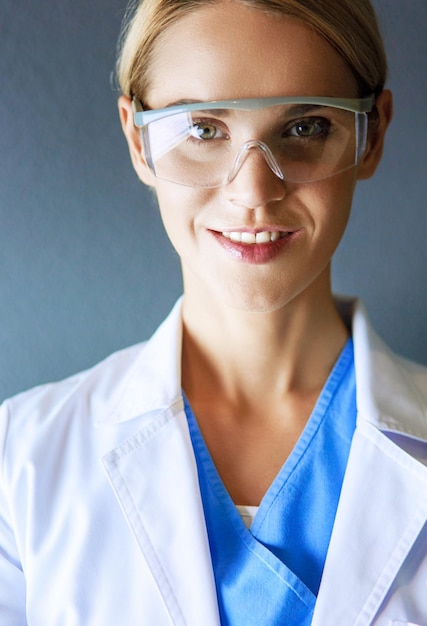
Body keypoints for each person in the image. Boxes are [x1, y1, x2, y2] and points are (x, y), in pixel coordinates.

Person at [1, 0, 427, 624]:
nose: (254, 191)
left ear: (372, 135)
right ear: (138, 141)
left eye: (305, 127)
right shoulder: (20, 464)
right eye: (202, 129)